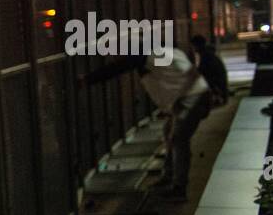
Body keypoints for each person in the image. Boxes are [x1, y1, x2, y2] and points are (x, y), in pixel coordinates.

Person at [83, 43, 212, 202]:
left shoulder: (155, 57)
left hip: (192, 99)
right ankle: (169, 176)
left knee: (178, 140)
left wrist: (88, 80)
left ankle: (179, 188)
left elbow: (122, 66)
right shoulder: (168, 54)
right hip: (191, 97)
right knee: (170, 134)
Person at [190, 34, 229, 105]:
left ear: (197, 46)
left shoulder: (206, 56)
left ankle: (216, 97)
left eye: (193, 46)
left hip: (218, 85)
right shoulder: (208, 54)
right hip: (219, 84)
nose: (193, 48)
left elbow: (201, 72)